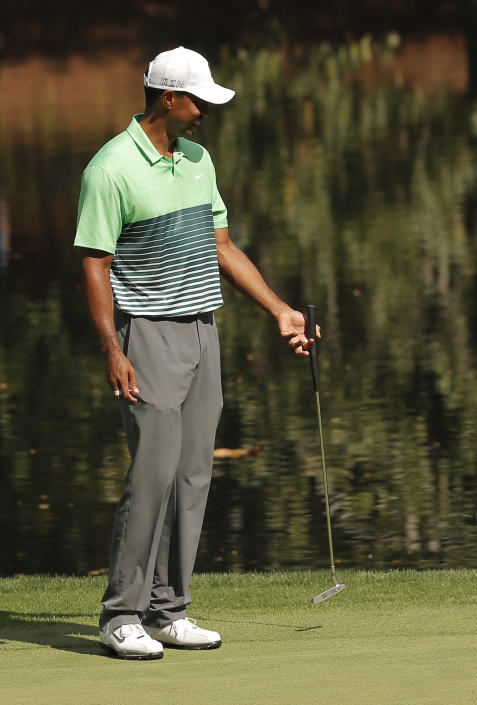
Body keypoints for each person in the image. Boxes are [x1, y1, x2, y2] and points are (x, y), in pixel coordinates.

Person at [75, 46, 316, 659]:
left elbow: (223, 246)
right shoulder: (110, 169)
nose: (206, 110)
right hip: (146, 333)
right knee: (152, 474)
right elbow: (96, 265)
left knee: (192, 474)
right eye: (198, 100)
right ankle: (120, 615)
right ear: (167, 98)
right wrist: (112, 347)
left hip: (203, 328)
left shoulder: (198, 159)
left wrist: (279, 309)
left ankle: (167, 609)